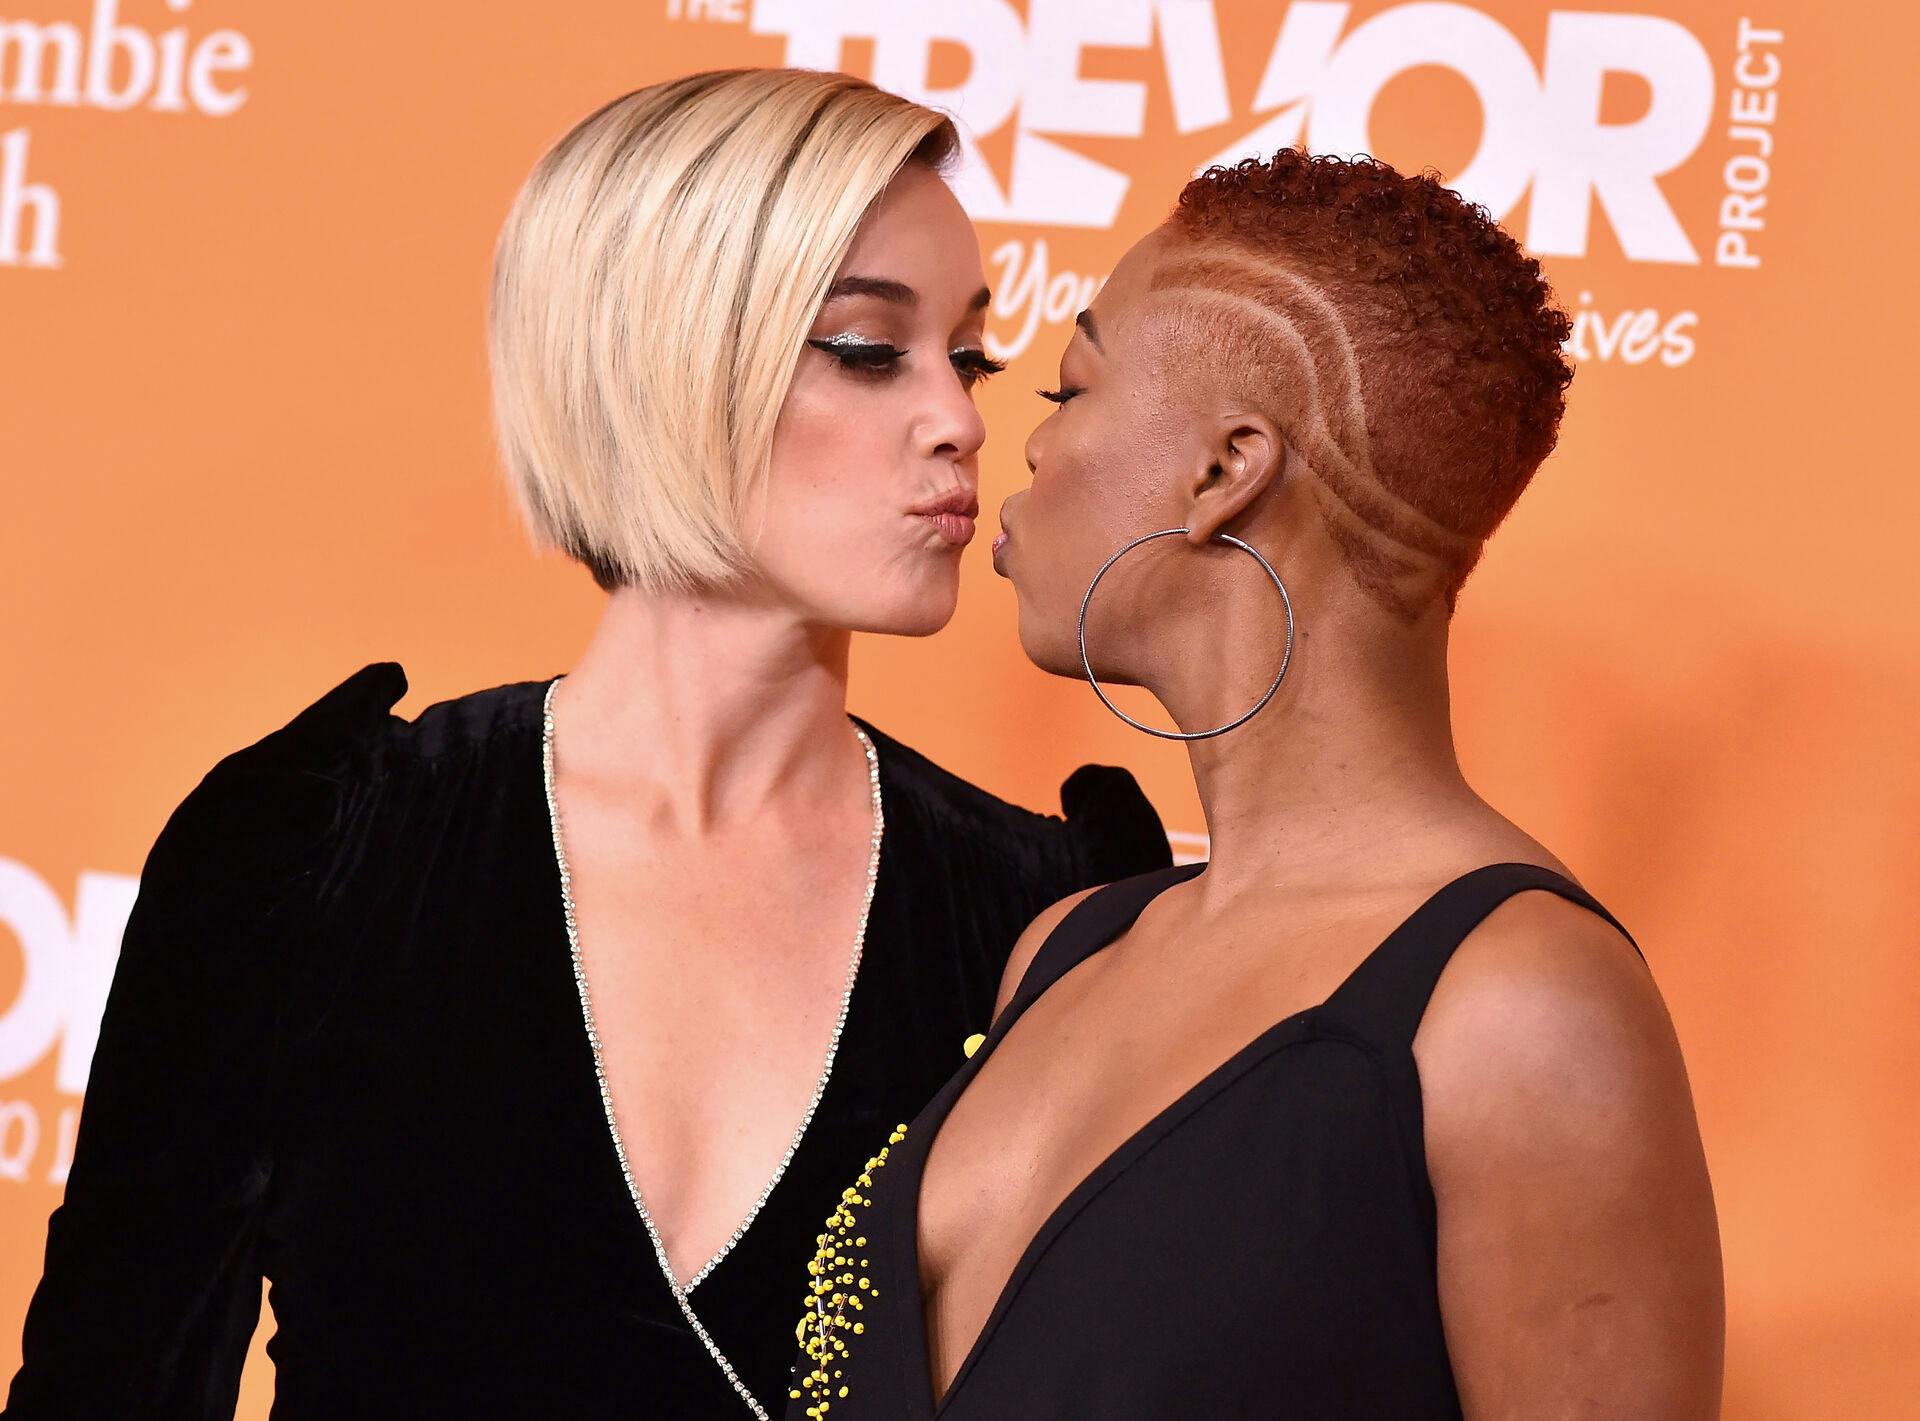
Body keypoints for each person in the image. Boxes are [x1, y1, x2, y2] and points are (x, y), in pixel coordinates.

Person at [4, 70, 1170, 1420]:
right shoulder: (315, 846)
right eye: (867, 351)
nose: (960, 419)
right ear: (663, 358)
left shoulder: (1049, 914)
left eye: (967, 357)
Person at [787, 151, 1724, 1420]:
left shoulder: (1520, 1007)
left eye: (1067, 389)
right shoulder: (1066, 948)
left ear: (1225, 471)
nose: (1014, 440)